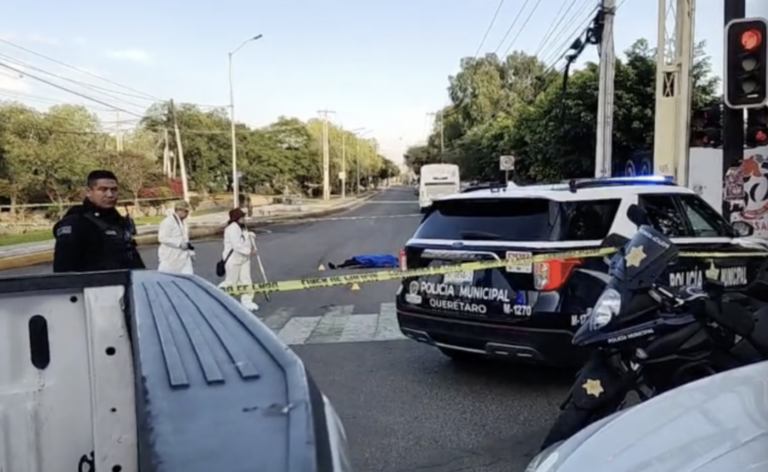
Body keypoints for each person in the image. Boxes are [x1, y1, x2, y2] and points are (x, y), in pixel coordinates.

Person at [52, 170, 146, 273]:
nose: (110, 195)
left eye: (114, 190)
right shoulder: (76, 222)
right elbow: (63, 271)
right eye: (103, 190)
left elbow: (131, 257)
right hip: (93, 286)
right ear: (88, 192)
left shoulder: (117, 220)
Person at [219, 208, 259, 311]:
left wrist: (250, 235)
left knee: (246, 280)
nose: (243, 218)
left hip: (244, 259)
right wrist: (249, 251)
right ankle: (219, 295)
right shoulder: (232, 228)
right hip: (233, 259)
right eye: (241, 216)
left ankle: (247, 301)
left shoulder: (242, 227)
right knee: (231, 282)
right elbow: (236, 245)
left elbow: (244, 238)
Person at [157, 200, 195, 274]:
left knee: (187, 278)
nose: (187, 214)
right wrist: (179, 244)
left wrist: (191, 252)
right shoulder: (168, 222)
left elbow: (185, 239)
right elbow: (162, 238)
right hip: (170, 257)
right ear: (179, 210)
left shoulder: (183, 222)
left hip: (184, 257)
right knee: (167, 279)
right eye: (186, 211)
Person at [328, 254, 399, 269]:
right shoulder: (391, 259)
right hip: (366, 259)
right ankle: (338, 266)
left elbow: (380, 264)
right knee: (349, 262)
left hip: (366, 259)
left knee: (349, 263)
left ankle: (337, 266)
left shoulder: (391, 259)